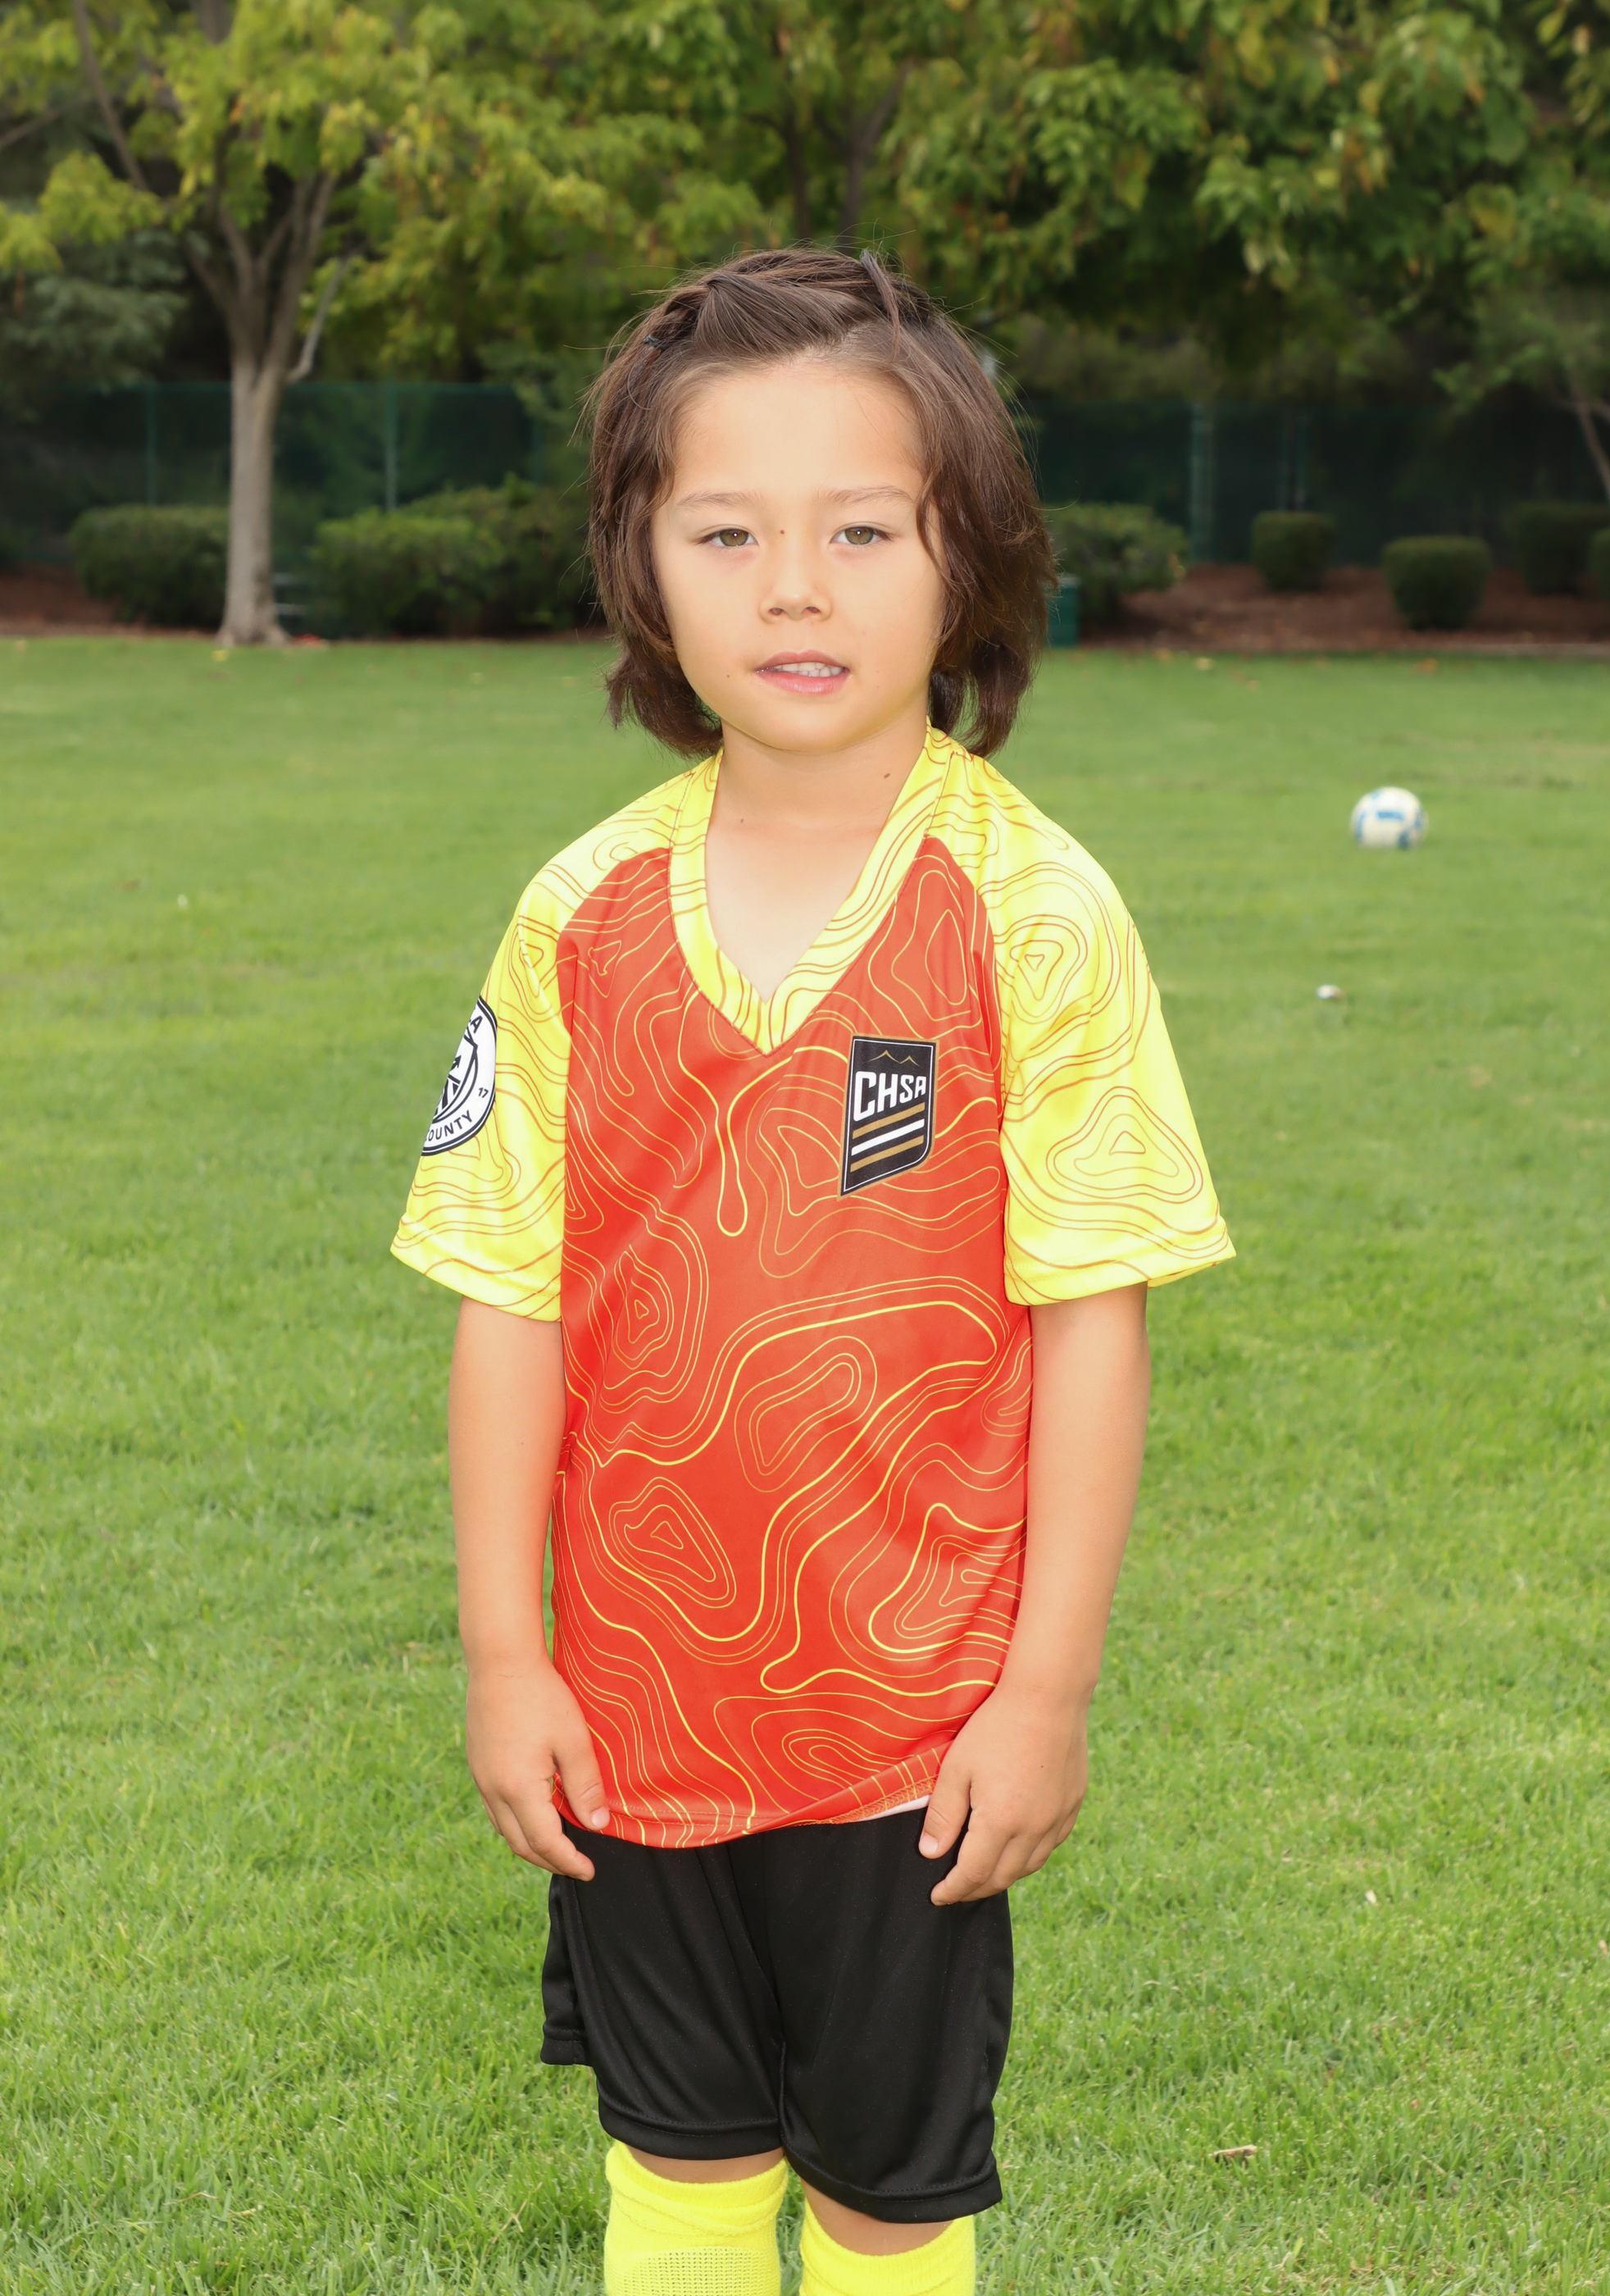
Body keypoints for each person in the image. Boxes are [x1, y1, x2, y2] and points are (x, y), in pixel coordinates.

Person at [392, 247, 1233, 2296]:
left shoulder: (1033, 910)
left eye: (861, 529)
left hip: (910, 1723)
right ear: (641, 562)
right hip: (635, 1707)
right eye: (727, 532)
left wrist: (1045, 1689)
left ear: (969, 557)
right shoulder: (577, 910)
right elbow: (509, 1297)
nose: (793, 587)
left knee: (884, 2198)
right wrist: (506, 1654)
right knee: (676, 2166)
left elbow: (1091, 1318)